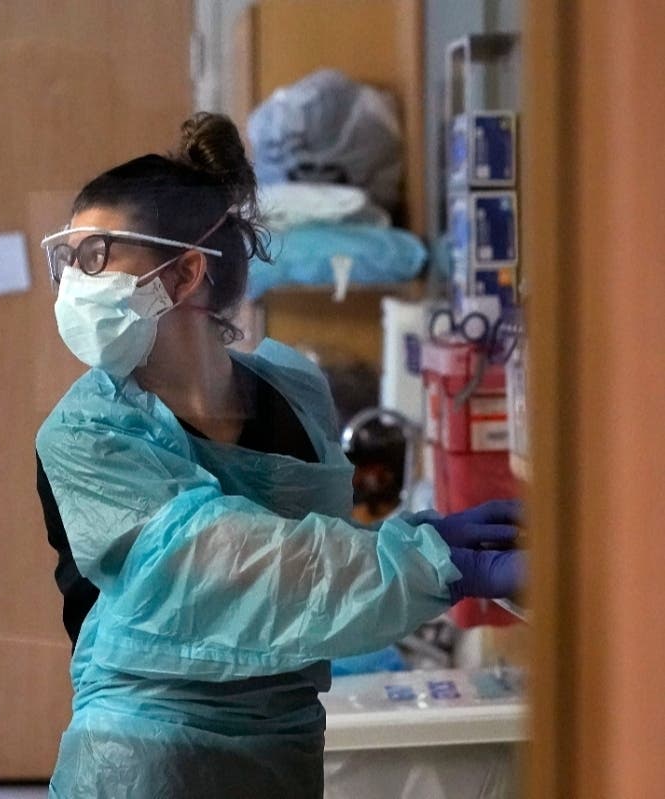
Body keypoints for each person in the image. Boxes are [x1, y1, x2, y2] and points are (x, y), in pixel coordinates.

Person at [34, 112, 523, 798]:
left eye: (94, 257)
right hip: (143, 751)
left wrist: (419, 539)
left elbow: (301, 557)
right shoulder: (87, 432)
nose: (72, 285)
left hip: (283, 735)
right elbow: (223, 565)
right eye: (67, 260)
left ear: (185, 274)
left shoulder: (291, 394)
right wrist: (439, 564)